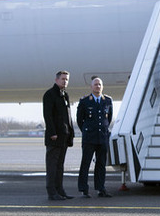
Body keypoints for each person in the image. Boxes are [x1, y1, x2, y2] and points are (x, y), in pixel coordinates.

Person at [75, 77, 114, 198]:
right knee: (85, 163)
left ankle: (100, 188)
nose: (98, 86)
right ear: (91, 87)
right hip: (89, 138)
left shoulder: (107, 101)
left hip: (102, 137)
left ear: (102, 87)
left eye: (100, 84)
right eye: (95, 84)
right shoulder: (85, 101)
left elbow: (108, 118)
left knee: (101, 164)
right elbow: (80, 120)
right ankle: (83, 189)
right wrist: (87, 131)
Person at [43, 71, 75, 201]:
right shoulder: (50, 94)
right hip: (54, 137)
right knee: (52, 166)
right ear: (56, 80)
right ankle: (52, 192)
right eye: (63, 79)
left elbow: (68, 117)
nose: (65, 81)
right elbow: (48, 115)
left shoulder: (64, 95)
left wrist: (71, 133)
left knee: (60, 166)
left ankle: (60, 190)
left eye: (67, 79)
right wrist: (52, 133)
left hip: (64, 137)